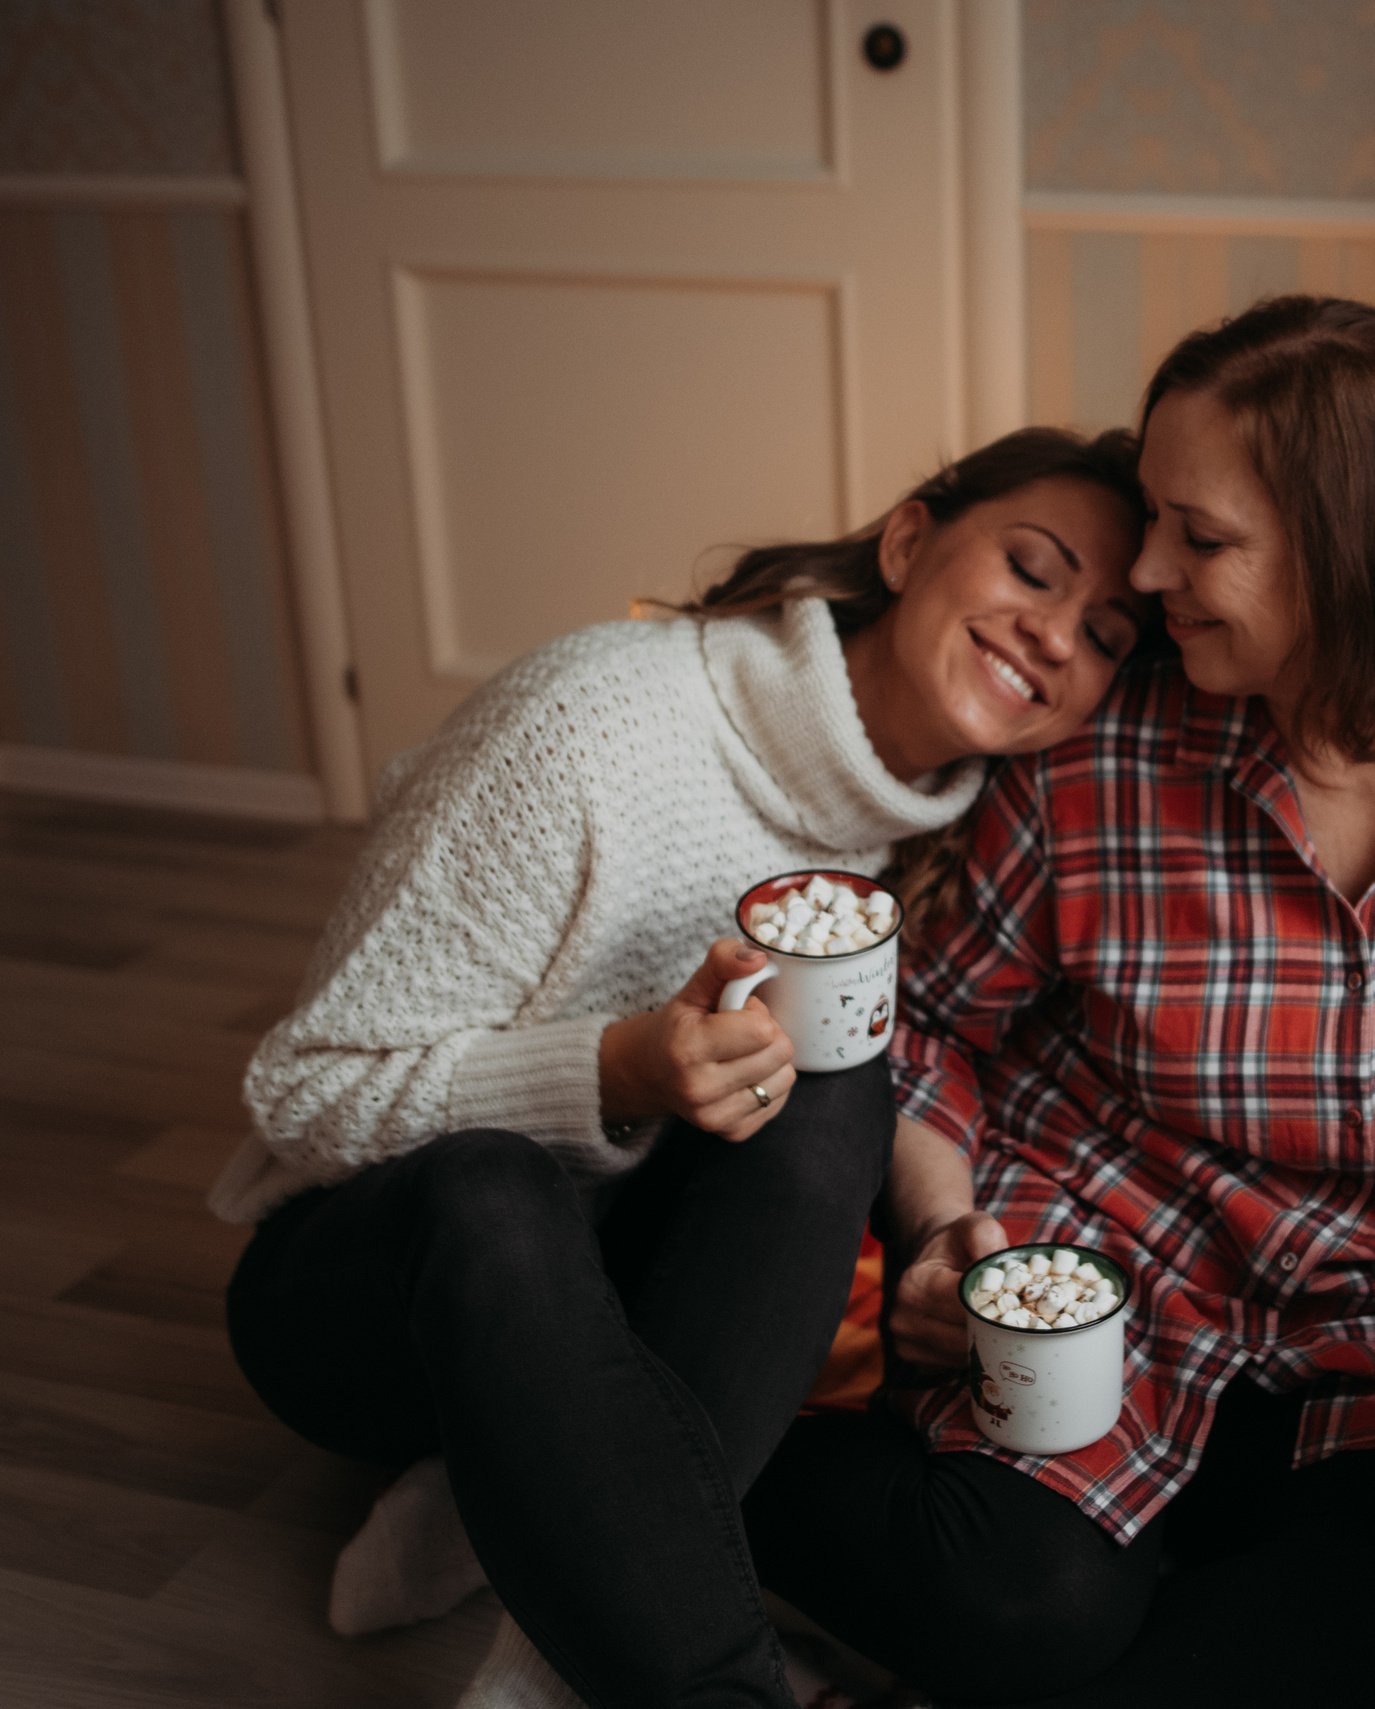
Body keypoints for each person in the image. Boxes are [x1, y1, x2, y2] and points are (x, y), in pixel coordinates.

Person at [742, 296, 1375, 1708]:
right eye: (1154, 518)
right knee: (1021, 1611)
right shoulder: (1112, 733)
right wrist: (945, 1226)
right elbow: (937, 1017)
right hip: (1107, 1278)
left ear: (1356, 548)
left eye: (1200, 539)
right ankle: (655, 1462)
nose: (1145, 570)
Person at [213, 427, 1149, 1709]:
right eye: (1033, 569)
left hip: (606, 1308)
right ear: (909, 540)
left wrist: (941, 1227)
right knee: (496, 1188)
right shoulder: (594, 721)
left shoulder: (972, 825)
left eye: (1106, 632)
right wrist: (615, 1070)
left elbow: (910, 1092)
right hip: (371, 1285)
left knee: (836, 1073)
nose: (1057, 635)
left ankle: (534, 1604)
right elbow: (303, 1092)